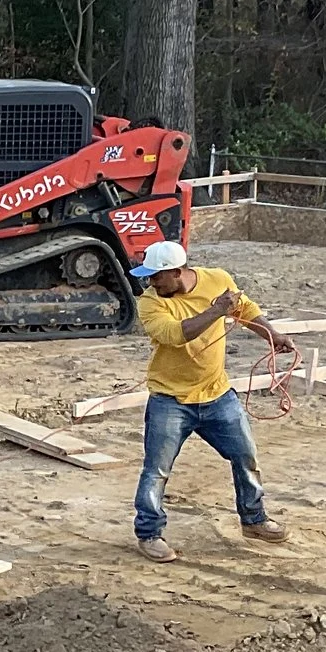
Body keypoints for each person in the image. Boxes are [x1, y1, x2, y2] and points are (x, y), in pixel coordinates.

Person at [128, 240, 291, 561]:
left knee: (246, 456)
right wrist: (216, 310)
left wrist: (272, 334)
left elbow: (246, 310)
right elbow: (175, 335)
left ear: (176, 272)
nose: (150, 283)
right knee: (156, 470)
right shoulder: (150, 302)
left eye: (156, 277)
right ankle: (149, 533)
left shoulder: (218, 279)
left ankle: (254, 519)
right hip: (169, 399)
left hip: (217, 394)